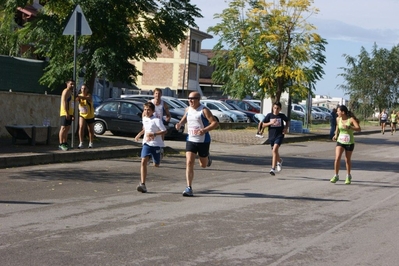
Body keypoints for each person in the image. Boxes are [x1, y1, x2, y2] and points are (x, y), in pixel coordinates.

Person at [175, 92, 219, 197]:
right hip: (190, 139)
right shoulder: (187, 109)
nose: (190, 100)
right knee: (189, 162)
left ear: (198, 99)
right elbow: (185, 118)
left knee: (203, 165)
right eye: (189, 98)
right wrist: (180, 123)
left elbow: (214, 123)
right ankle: (189, 187)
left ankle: (207, 158)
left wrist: (204, 130)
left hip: (203, 140)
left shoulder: (204, 110)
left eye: (193, 99)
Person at [134, 102, 167, 193]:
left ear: (152, 111)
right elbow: (145, 129)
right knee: (143, 161)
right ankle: (143, 184)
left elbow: (164, 131)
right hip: (147, 143)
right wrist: (139, 135)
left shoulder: (157, 120)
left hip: (156, 144)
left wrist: (154, 134)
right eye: (145, 110)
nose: (146, 111)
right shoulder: (144, 119)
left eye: (148, 110)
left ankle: (160, 154)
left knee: (156, 165)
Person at [330, 105, 361, 184]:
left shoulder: (351, 120)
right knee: (337, 158)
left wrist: (350, 127)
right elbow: (337, 126)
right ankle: (336, 175)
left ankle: (348, 176)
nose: (337, 112)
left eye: (338, 111)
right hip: (340, 141)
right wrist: (336, 134)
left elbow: (359, 129)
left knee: (347, 160)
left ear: (343, 112)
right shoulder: (338, 119)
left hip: (349, 142)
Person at [259, 101, 290, 176]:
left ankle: (273, 168)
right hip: (271, 136)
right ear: (273, 108)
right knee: (274, 152)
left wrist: (285, 128)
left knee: (274, 150)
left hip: (279, 135)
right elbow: (263, 125)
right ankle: (279, 161)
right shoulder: (269, 116)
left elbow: (288, 121)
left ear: (280, 109)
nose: (276, 110)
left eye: (277, 108)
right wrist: (271, 123)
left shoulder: (282, 116)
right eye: (274, 108)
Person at [76, 84, 95, 148]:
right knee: (81, 127)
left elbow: (87, 98)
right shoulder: (79, 96)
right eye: (82, 88)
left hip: (90, 115)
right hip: (82, 114)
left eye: (84, 89)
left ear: (87, 90)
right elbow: (75, 99)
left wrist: (79, 97)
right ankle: (81, 143)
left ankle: (91, 142)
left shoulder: (89, 96)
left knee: (91, 129)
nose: (83, 90)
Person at [58, 79, 75, 151]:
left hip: (70, 113)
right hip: (65, 113)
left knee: (67, 129)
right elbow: (64, 102)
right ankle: (61, 144)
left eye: (73, 84)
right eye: (71, 84)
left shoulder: (71, 92)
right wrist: (67, 113)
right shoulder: (65, 91)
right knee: (63, 128)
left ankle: (65, 143)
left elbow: (72, 104)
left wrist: (73, 114)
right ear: (67, 84)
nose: (72, 85)